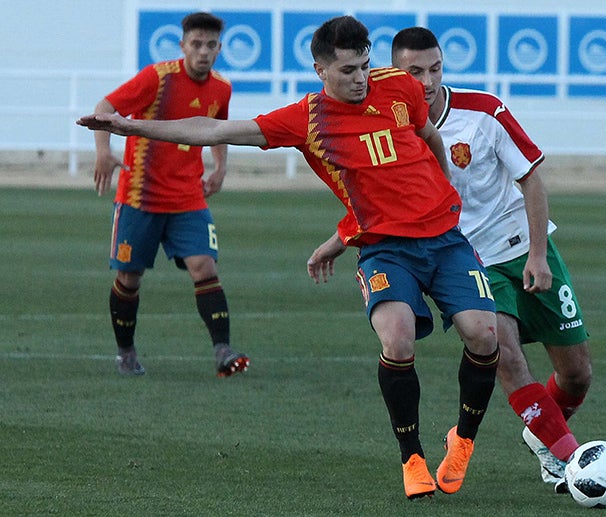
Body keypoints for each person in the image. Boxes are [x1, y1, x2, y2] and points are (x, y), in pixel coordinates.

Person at [78, 15, 500, 500]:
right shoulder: (307, 120)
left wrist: (443, 187)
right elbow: (210, 130)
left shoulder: (399, 85)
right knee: (399, 339)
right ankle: (412, 457)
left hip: (445, 240)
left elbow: (427, 140)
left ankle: (462, 440)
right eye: (347, 71)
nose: (361, 78)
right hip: (384, 249)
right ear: (321, 70)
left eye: (365, 66)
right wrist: (127, 125)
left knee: (484, 335)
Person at [390, 27, 593, 492]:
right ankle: (570, 458)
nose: (427, 80)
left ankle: (542, 432)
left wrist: (538, 256)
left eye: (435, 69)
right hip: (467, 260)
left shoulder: (482, 111)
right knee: (507, 359)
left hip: (523, 246)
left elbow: (532, 178)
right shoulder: (390, 126)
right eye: (414, 71)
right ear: (396, 72)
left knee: (576, 373)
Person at [90, 11, 249, 378]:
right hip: (139, 197)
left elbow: (218, 129)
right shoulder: (157, 78)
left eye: (211, 45)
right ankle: (126, 352)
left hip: (187, 198)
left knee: (204, 267)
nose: (204, 52)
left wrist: (220, 166)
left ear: (220, 48)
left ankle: (223, 351)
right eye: (196, 44)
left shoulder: (221, 87)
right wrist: (103, 150)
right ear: (183, 46)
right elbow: (104, 109)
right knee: (129, 278)